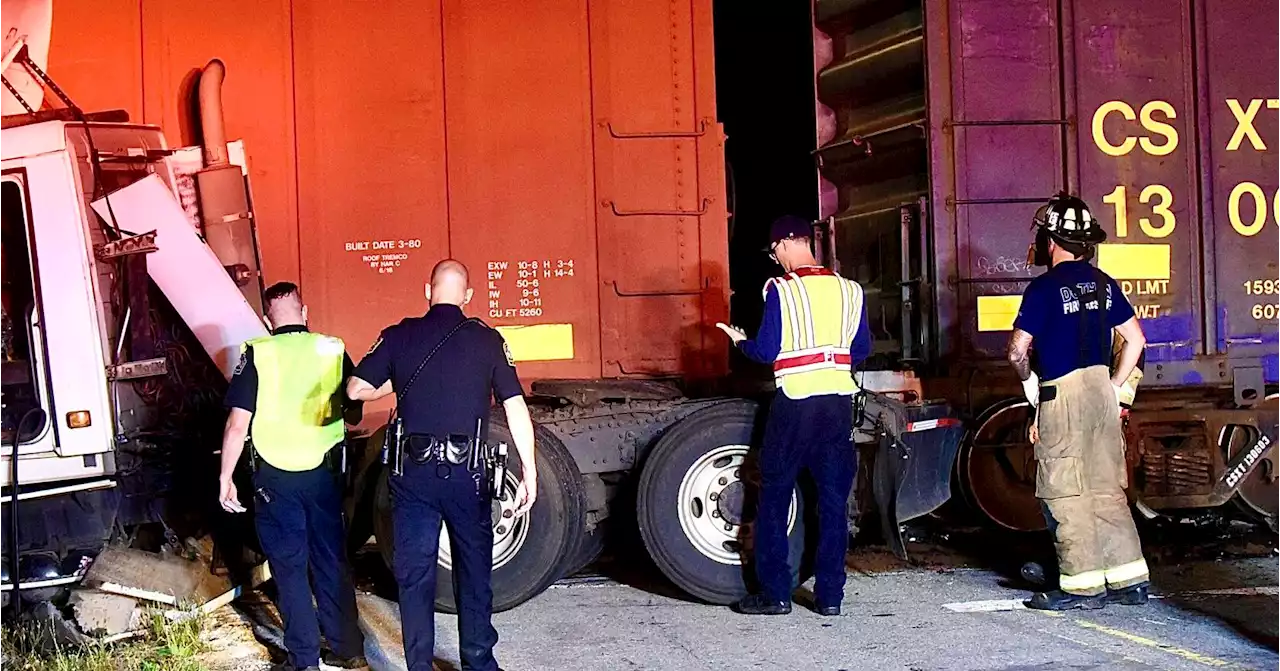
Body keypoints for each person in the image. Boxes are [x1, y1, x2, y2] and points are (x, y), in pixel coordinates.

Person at [346, 259, 537, 671]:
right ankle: (478, 662)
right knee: (474, 572)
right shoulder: (487, 341)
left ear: (427, 290)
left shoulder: (399, 335)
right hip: (468, 478)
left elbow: (357, 388)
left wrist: (400, 377)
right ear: (468, 296)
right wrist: (530, 471)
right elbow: (515, 405)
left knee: (415, 578)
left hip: (413, 476)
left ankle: (418, 665)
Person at [715, 215, 872, 617]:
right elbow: (861, 350)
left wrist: (740, 342)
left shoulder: (782, 290)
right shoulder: (852, 291)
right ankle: (831, 597)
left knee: (774, 495)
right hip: (837, 404)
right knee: (834, 502)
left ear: (785, 245)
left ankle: (776, 594)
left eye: (774, 252)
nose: (775, 260)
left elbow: (767, 352)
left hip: (795, 404)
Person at [1006, 192, 1150, 611]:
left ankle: (1081, 586)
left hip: (1062, 395)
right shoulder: (1104, 283)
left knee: (1065, 491)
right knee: (1106, 487)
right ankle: (1130, 580)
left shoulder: (1044, 288)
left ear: (1051, 240)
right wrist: (1114, 385)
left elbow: (1017, 351)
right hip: (1101, 394)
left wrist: (1028, 380)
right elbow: (1135, 340)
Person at [217, 281, 367, 671]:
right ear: (305, 312)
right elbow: (354, 410)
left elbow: (237, 424)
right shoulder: (332, 349)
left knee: (290, 568)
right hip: (324, 474)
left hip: (275, 478)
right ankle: (349, 651)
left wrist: (225, 477)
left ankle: (304, 660)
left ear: (268, 320)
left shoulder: (259, 354)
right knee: (331, 561)